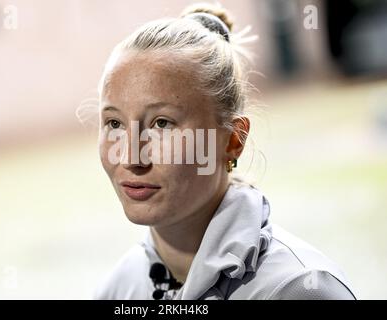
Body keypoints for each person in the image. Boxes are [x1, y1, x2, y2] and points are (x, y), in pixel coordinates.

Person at [93, 3, 356, 300]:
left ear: (233, 140)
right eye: (114, 123)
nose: (130, 158)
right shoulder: (118, 290)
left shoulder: (299, 289)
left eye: (162, 124)